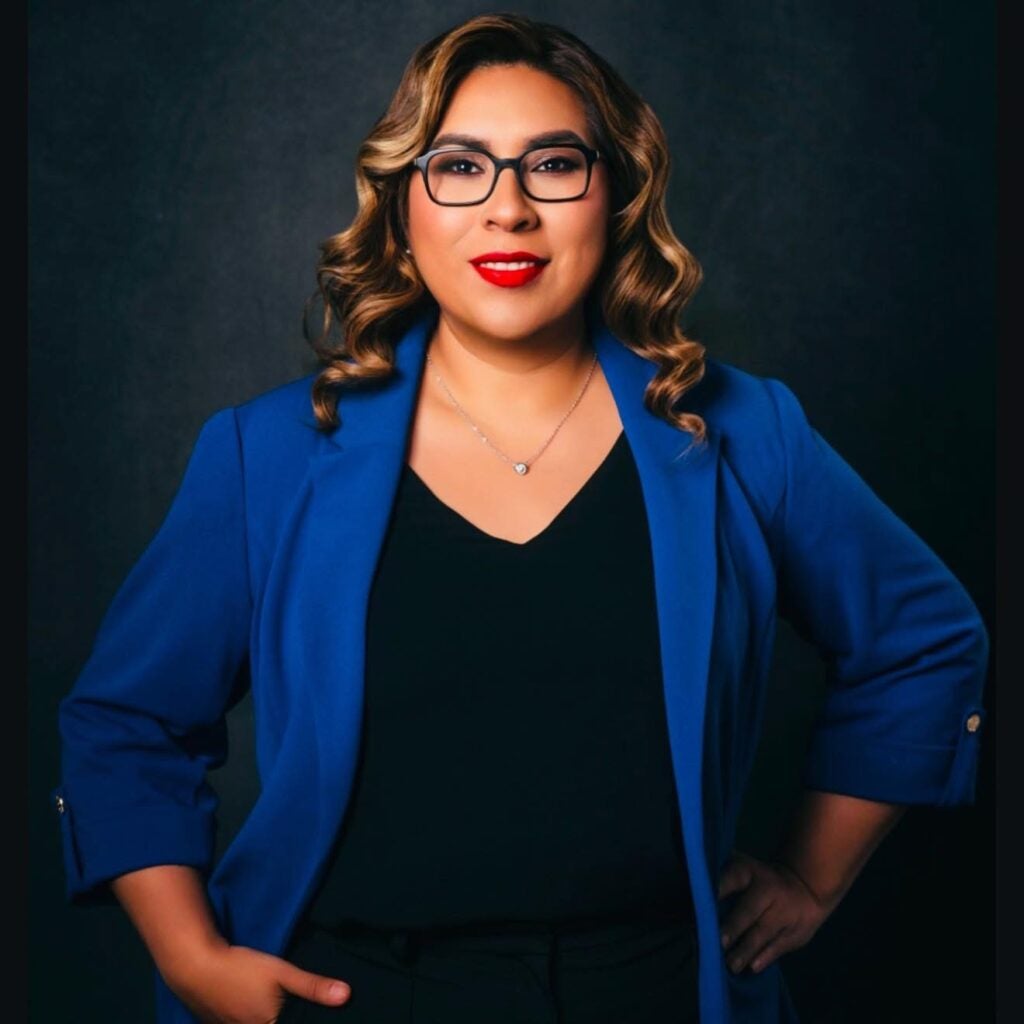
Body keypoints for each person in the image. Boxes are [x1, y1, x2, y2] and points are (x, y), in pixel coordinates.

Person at [50, 12, 989, 1024]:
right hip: (353, 996)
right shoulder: (269, 453)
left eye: (553, 165)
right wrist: (192, 957)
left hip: (658, 997)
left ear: (616, 196)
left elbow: (923, 643)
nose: (508, 210)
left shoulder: (744, 434)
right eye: (459, 167)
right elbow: (128, 722)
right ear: (404, 204)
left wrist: (811, 877)